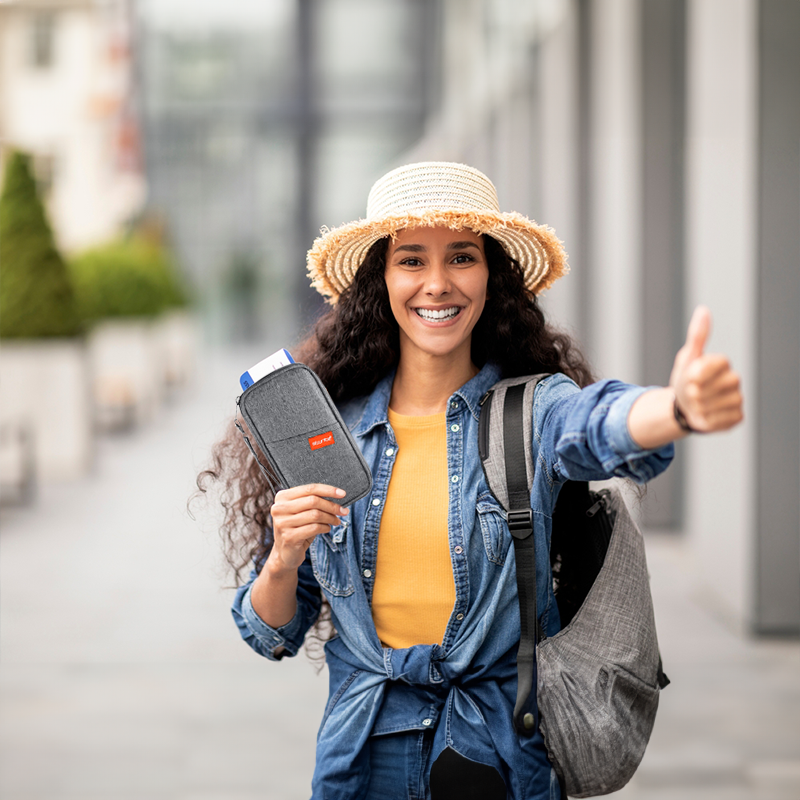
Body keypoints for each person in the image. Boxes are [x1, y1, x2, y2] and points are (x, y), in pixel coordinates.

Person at [200, 162, 744, 800]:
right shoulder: (334, 432)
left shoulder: (532, 412)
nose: (437, 284)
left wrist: (675, 409)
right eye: (411, 261)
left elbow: (596, 424)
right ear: (382, 277)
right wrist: (286, 557)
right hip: (358, 762)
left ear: (492, 276)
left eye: (461, 256)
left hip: (496, 756)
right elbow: (271, 631)